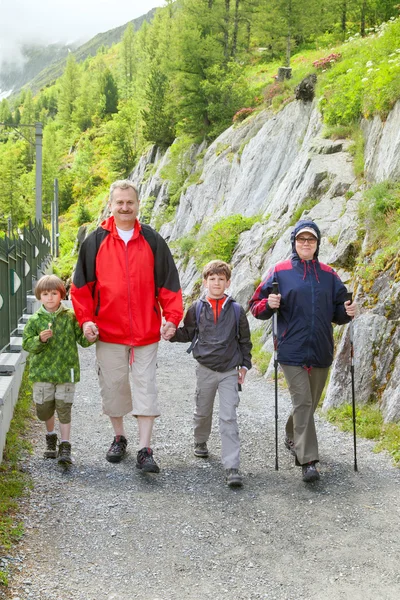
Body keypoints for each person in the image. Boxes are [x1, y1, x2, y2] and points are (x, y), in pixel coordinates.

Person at [71, 179, 183, 473]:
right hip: (108, 331)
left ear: (137, 205)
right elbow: (81, 288)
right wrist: (86, 321)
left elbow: (168, 284)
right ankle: (119, 437)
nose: (124, 207)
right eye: (119, 202)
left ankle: (145, 449)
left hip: (146, 332)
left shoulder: (152, 240)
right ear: (111, 205)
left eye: (129, 202)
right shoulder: (94, 241)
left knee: (146, 387)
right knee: (114, 386)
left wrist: (172, 318)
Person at [249, 219, 357, 483]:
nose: (306, 244)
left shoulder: (330, 275)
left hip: (321, 349)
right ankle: (308, 460)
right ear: (294, 242)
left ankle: (291, 434)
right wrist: (269, 304)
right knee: (304, 401)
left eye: (311, 240)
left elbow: (339, 313)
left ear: (317, 244)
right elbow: (255, 306)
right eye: (301, 239)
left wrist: (348, 311)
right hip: (291, 349)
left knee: (308, 403)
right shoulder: (280, 271)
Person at [169, 260, 252, 488]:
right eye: (212, 279)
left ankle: (232, 467)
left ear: (228, 282)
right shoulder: (196, 308)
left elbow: (244, 341)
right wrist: (171, 334)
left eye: (221, 279)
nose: (216, 283)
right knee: (202, 411)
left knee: (228, 417)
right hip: (205, 369)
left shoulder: (236, 310)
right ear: (205, 282)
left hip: (228, 372)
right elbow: (187, 333)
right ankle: (200, 441)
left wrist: (244, 366)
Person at [22, 275, 93, 465]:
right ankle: (51, 436)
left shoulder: (70, 317)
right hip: (43, 373)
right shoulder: (36, 320)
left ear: (62, 295)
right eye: (45, 294)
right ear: (39, 296)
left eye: (54, 293)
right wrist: (40, 339)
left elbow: (83, 340)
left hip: (65, 372)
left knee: (64, 408)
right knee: (44, 409)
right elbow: (27, 344)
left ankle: (65, 444)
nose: (50, 298)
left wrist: (91, 336)